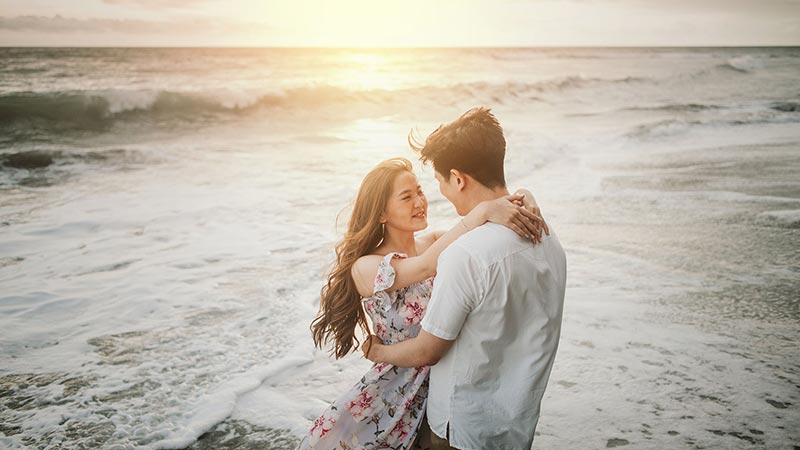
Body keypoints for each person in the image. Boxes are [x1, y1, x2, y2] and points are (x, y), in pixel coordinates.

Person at [298, 156, 547, 449]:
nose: (419, 202)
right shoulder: (366, 266)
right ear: (381, 214)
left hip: (448, 384)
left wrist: (525, 197)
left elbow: (483, 232)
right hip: (397, 392)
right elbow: (427, 266)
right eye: (407, 197)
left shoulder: (434, 241)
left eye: (419, 191)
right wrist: (482, 211)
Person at [363, 108, 567, 450]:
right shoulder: (548, 239)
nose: (438, 193)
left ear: (457, 179)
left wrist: (376, 350)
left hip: (462, 429)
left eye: (439, 183)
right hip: (519, 425)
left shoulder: (465, 255)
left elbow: (428, 349)